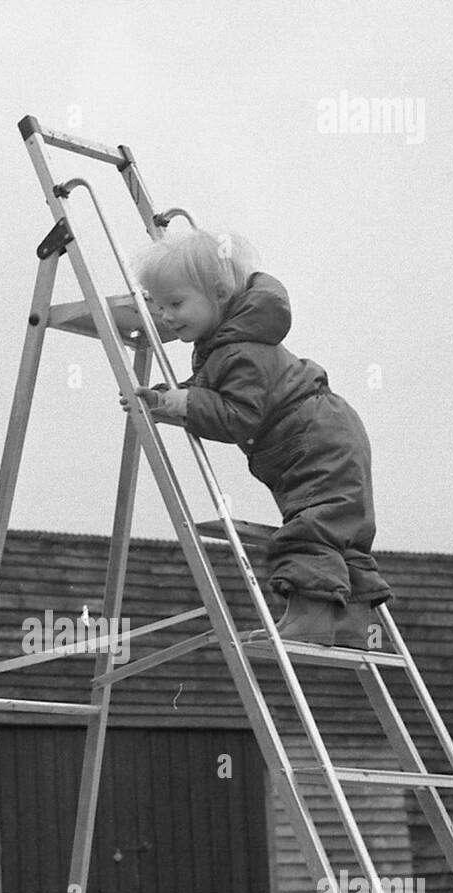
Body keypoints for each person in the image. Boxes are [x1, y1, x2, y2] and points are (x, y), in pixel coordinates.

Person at [122, 228, 392, 647]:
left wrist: (181, 404)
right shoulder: (235, 344)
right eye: (158, 306)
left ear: (219, 294)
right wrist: (167, 400)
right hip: (330, 431)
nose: (166, 316)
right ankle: (352, 624)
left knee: (311, 528)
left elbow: (237, 416)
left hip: (310, 438)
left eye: (175, 303)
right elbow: (212, 394)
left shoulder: (239, 351)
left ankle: (313, 619)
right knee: (342, 531)